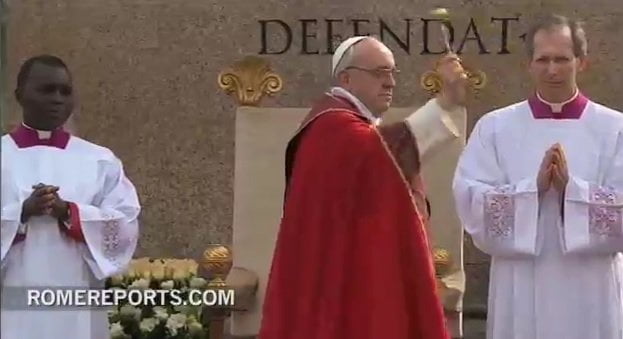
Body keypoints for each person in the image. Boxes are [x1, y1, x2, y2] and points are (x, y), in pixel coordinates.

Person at [259, 36, 468, 339]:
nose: (390, 83)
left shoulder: (345, 123)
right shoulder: (333, 127)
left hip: (353, 268)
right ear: (346, 78)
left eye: (393, 73)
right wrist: (444, 102)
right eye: (379, 73)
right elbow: (380, 152)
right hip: (342, 284)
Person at [453, 14, 623, 339]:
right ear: (528, 65)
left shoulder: (614, 128)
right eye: (543, 59)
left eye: (562, 59)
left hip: (592, 285)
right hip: (521, 278)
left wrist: (571, 190)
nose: (553, 70)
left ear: (582, 62)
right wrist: (533, 189)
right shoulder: (495, 127)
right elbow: (469, 198)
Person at [1, 55, 141, 338]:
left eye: (65, 91)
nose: (57, 99)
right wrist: (22, 213)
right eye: (47, 89)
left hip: (78, 297)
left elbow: (125, 225)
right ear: (20, 95)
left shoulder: (99, 160)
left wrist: (70, 213)